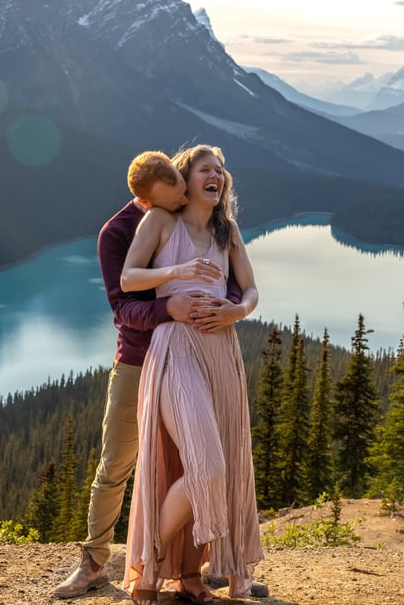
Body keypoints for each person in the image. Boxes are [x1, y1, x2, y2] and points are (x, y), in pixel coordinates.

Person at [53, 151, 247, 600]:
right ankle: (95, 563)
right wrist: (169, 309)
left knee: (195, 461)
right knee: (118, 463)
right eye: (175, 194)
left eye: (183, 189)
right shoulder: (119, 233)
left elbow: (225, 276)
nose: (183, 199)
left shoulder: (190, 216)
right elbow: (123, 304)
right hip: (139, 360)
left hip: (193, 358)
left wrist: (226, 302)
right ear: (147, 200)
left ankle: (190, 570)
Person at [121, 144, 264, 605]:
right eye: (206, 169)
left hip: (221, 351)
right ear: (187, 178)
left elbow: (253, 288)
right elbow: (128, 279)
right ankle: (151, 561)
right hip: (176, 347)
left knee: (213, 469)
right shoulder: (162, 221)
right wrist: (180, 270)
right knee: (207, 463)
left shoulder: (229, 231)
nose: (216, 176)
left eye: (221, 171)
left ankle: (188, 573)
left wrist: (236, 310)